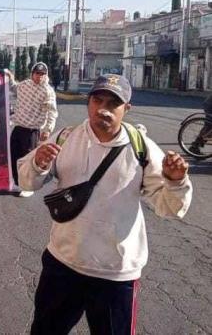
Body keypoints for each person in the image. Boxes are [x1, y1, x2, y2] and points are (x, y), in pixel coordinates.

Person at [18, 74, 193, 335]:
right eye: (97, 100)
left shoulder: (141, 148)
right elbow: (27, 182)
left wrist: (176, 181)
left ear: (127, 109)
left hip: (115, 275)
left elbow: (168, 207)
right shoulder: (65, 138)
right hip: (63, 264)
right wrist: (38, 164)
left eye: (113, 103)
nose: (103, 109)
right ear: (88, 102)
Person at [10, 62, 58, 197]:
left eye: (42, 74)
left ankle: (28, 186)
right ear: (32, 74)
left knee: (29, 159)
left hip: (32, 131)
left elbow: (52, 112)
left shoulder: (47, 91)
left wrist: (48, 130)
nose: (39, 77)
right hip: (18, 127)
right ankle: (17, 182)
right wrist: (8, 77)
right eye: (37, 73)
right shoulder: (25, 85)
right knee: (14, 156)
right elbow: (14, 88)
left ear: (46, 75)